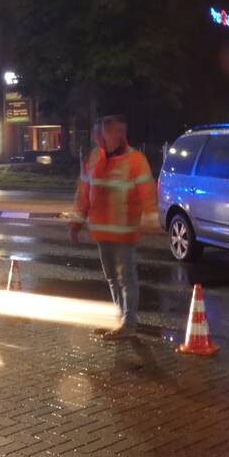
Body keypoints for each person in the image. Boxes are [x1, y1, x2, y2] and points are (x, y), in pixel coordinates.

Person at [69, 115, 156, 340]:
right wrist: (76, 222)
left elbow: (147, 190)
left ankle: (129, 324)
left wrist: (150, 217)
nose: (118, 135)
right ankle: (121, 320)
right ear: (103, 134)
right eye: (113, 131)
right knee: (112, 278)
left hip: (124, 232)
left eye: (120, 131)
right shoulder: (93, 159)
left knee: (127, 278)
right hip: (102, 232)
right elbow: (84, 194)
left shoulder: (135, 160)